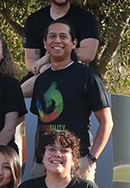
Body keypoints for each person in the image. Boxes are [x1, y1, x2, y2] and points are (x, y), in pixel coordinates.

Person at [30, 20, 113, 179]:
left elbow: (107, 122)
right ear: (45, 43)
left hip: (77, 163)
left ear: (74, 43)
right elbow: (40, 124)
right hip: (44, 165)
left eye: (63, 36)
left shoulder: (88, 77)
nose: (57, 40)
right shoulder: (41, 81)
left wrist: (91, 159)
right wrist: (37, 159)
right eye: (52, 36)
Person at [21, 0, 100, 97]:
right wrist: (42, 68)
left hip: (76, 73)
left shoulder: (85, 18)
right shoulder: (34, 20)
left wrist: (50, 58)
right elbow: (31, 60)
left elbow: (88, 54)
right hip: (44, 74)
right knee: (16, 96)